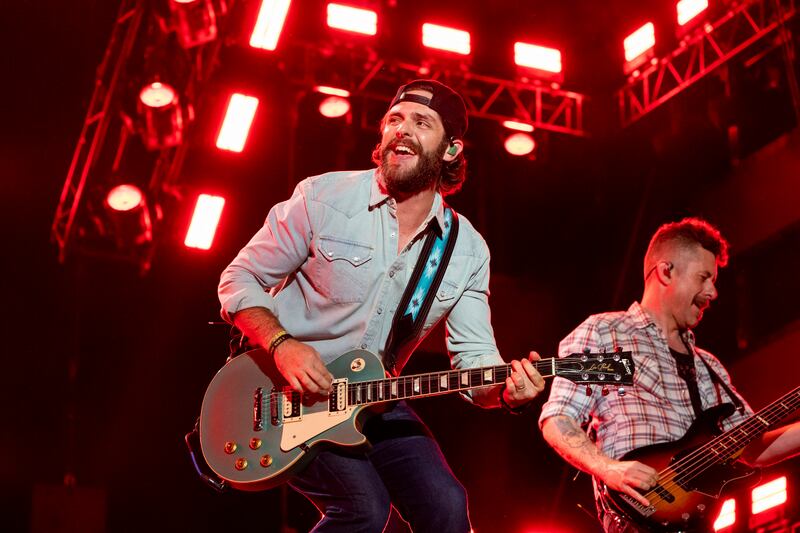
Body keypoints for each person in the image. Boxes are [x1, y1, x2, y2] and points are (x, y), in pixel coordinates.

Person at [218, 79, 545, 532]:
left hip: (372, 395)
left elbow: (476, 363)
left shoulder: (466, 250)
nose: (402, 129)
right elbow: (239, 278)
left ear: (451, 150)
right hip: (284, 391)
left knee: (447, 506)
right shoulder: (323, 197)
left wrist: (509, 393)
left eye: (421, 122)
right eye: (394, 119)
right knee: (364, 509)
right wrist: (282, 344)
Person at [538, 217, 800, 532]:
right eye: (704, 277)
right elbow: (559, 418)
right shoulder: (606, 333)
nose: (713, 292)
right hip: (633, 521)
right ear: (666, 271)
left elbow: (753, 448)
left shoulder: (709, 368)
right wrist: (608, 469)